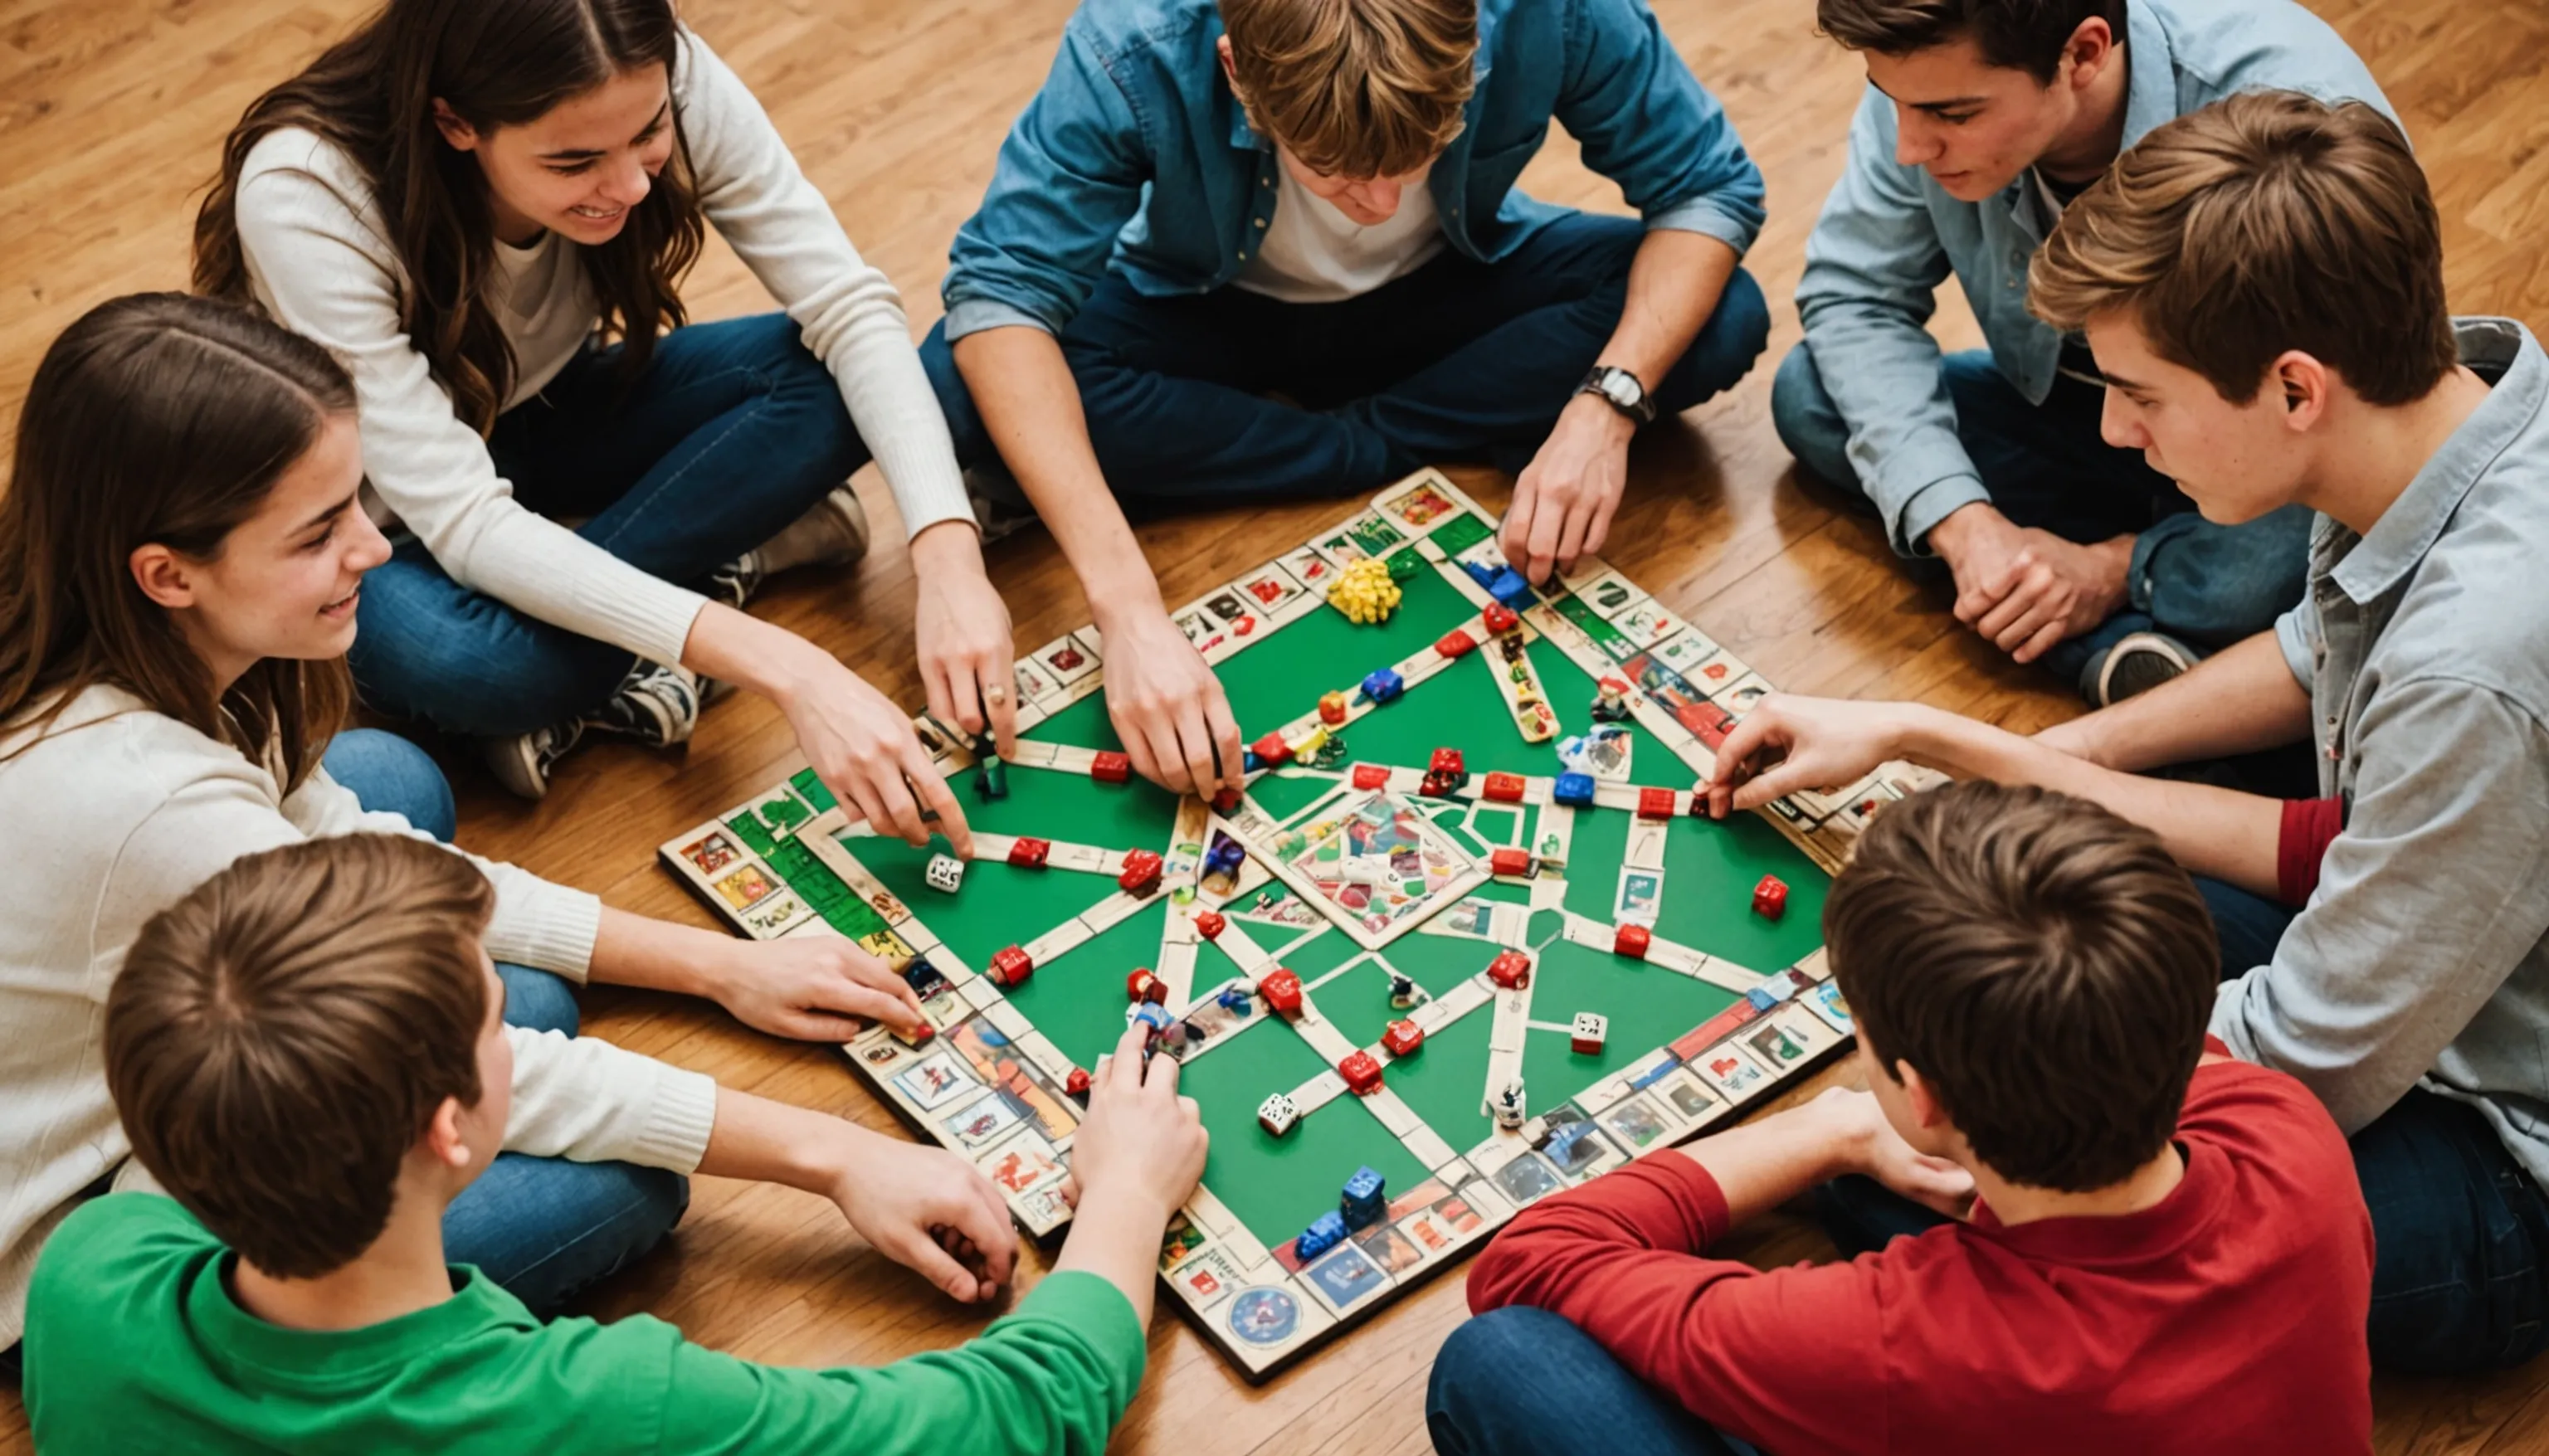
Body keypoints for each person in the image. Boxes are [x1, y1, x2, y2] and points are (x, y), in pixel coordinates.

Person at [0, 293, 1016, 1381]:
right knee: (624, 1179)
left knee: (393, 789)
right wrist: (840, 1155)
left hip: (135, 1009)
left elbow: (366, 867)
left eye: (357, 503)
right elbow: (494, 1061)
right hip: (71, 1219)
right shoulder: (153, 811)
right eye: (315, 535)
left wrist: (723, 964)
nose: (370, 552)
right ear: (166, 571)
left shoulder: (137, 638)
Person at [1709, 92, 2549, 1374]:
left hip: (2500, 1150)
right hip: (2417, 966)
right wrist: (1947, 738)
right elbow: (2310, 655)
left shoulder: (2472, 670)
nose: (2111, 432)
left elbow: (2320, 1048)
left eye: (2140, 393)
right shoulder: (2450, 414)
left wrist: (1954, 1113)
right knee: (1994, 926)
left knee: (1919, 1174)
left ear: (2294, 388)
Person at [21, 833, 1206, 1454]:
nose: (513, 1025)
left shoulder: (89, 1267)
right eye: (495, 1020)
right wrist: (1126, 1196)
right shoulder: (607, 1405)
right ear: (449, 1124)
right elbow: (1017, 1413)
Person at [924, 0, 1772, 797]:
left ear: (1471, 42)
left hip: (1450, 293)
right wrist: (1130, 612)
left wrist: (1602, 410)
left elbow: (1707, 186)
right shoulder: (1136, 40)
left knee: (1722, 317)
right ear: (1235, 69)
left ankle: (1337, 437)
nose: (1381, 205)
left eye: (1420, 156)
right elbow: (1002, 293)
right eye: (1334, 173)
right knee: (961, 383)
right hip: (1209, 310)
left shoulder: (1545, 10)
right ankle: (1388, 438)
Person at [195, 0, 1016, 812]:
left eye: (649, 134)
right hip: (371, 513)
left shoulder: (653, 69)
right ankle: (718, 565)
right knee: (482, 669)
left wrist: (949, 560)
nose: (628, 185)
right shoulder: (304, 189)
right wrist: (791, 669)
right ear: (454, 123)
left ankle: (621, 624)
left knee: (846, 379)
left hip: (541, 408)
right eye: (574, 162)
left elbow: (846, 305)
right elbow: (463, 517)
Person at [1429, 781, 2374, 1456]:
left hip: (1959, 1369)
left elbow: (1534, 1260)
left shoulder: (1894, 1342)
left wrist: (1829, 1129)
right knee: (1874, 1203)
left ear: (1921, 1097)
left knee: (1505, 1363)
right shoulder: (2283, 1124)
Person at [1772, 0, 2391, 704]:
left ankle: (2133, 609)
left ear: (2086, 53)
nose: (1910, 147)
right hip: (2076, 407)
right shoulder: (1925, 77)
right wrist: (1965, 527)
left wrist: (2108, 568)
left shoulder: (2296, 119)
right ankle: (2141, 653)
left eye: (1953, 115)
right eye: (1892, 101)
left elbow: (2358, 414)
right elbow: (1857, 299)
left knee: (2268, 566)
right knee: (1811, 394)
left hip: (2265, 443)